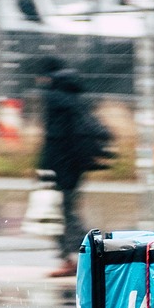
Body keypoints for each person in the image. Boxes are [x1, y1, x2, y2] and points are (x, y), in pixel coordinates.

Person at [36, 57, 114, 278]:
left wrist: (45, 169)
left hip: (60, 166)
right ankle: (90, 253)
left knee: (58, 215)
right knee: (67, 213)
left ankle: (85, 255)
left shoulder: (53, 98)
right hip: (78, 164)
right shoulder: (77, 98)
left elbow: (54, 139)